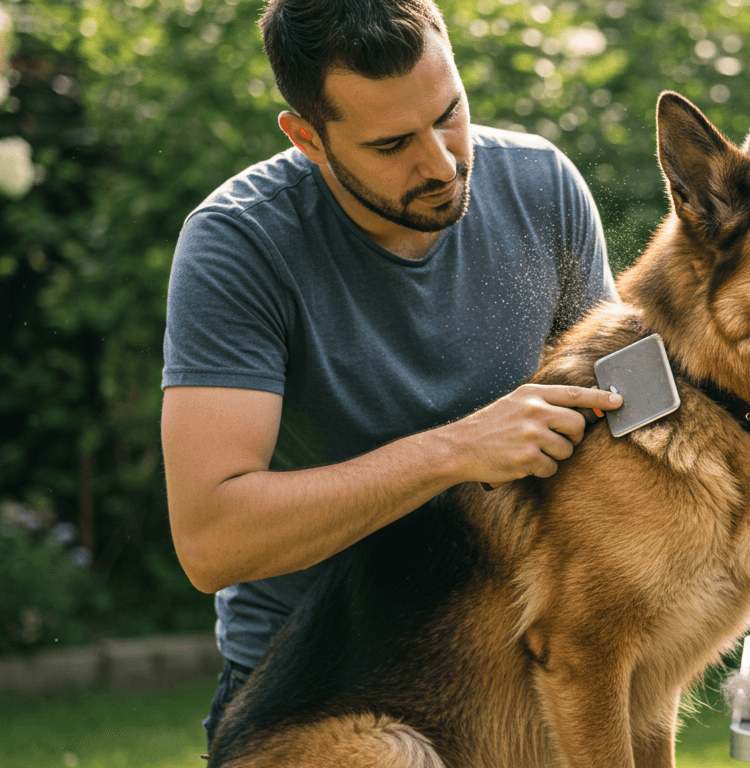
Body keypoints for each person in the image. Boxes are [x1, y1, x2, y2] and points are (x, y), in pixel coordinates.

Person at [159, 0, 621, 748]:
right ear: (307, 137)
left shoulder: (543, 185)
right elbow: (213, 541)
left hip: (518, 684)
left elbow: (618, 427)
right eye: (391, 144)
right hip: (328, 703)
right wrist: (456, 452)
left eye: (449, 114)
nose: (440, 164)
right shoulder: (239, 245)